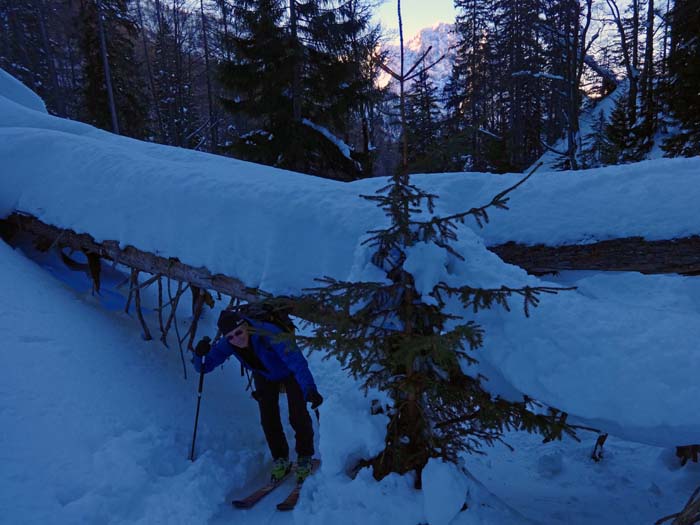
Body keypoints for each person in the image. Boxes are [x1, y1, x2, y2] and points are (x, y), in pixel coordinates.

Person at [192, 309, 323, 483]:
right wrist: (198, 354)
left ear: (245, 325)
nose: (236, 339)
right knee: (268, 419)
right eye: (230, 337)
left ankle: (305, 456)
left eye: (238, 332)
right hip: (265, 375)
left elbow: (296, 362)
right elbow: (204, 367)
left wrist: (309, 389)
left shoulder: (269, 333)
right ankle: (280, 459)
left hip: (289, 372)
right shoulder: (229, 344)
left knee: (298, 415)